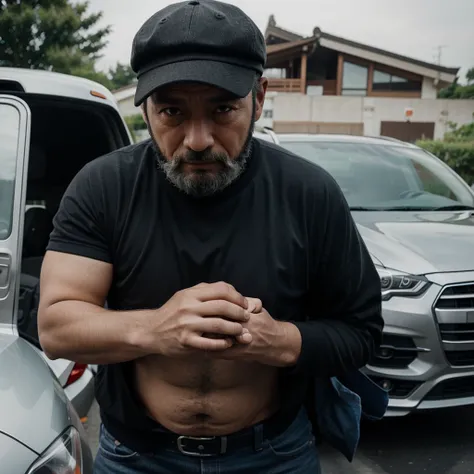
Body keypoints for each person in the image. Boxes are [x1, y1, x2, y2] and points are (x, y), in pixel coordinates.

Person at [37, 1, 383, 472]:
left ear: (258, 98)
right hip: (137, 457)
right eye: (172, 111)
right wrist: (157, 329)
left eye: (223, 108)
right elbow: (56, 327)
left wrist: (277, 340)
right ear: (145, 107)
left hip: (273, 455)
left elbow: (360, 331)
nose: (197, 139)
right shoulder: (104, 188)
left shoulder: (308, 193)